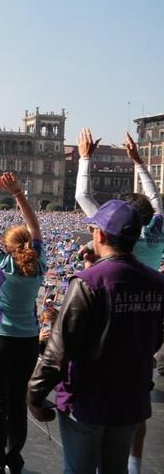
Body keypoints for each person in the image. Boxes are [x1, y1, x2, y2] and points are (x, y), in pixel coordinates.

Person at [27, 200, 164, 473]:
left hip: (88, 398)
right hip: (131, 396)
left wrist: (35, 393)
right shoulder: (155, 281)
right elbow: (155, 338)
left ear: (100, 235)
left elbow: (59, 346)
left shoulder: (89, 282)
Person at [74, 128, 164, 473]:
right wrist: (140, 163)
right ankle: (134, 466)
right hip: (144, 330)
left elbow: (83, 195)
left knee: (98, 402)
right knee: (136, 403)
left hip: (108, 327)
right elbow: (156, 201)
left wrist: (84, 157)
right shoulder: (157, 234)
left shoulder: (116, 240)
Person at [0, 172, 45, 474]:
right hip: (27, 341)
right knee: (17, 402)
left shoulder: (0, 263)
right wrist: (18, 194)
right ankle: (14, 458)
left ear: (7, 246)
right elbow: (36, 228)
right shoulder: (38, 263)